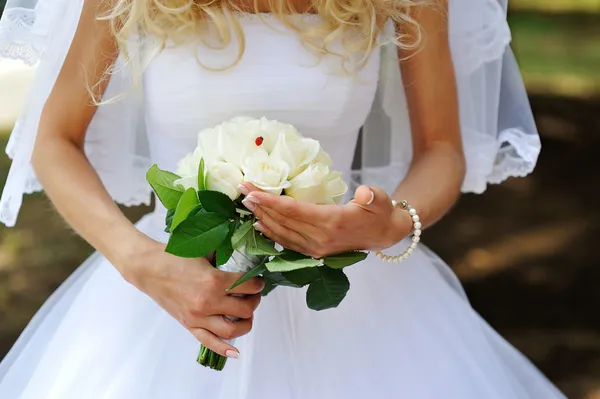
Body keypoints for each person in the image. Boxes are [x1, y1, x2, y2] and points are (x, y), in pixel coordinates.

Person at [0, 0, 565, 398]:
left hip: (357, 305)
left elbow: (442, 150)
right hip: (172, 286)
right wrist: (144, 265)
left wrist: (389, 223)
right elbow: (54, 141)